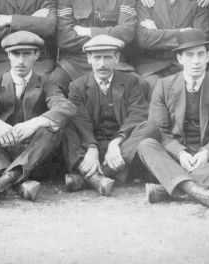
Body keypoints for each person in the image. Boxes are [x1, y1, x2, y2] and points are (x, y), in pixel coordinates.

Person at [137, 29, 209, 210]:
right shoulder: (164, 86)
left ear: (208, 57)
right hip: (175, 158)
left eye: (200, 55)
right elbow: (162, 131)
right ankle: (197, 190)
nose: (196, 61)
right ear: (180, 59)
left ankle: (171, 187)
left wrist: (206, 153)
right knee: (146, 145)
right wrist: (181, 153)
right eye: (189, 55)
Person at [0, 31, 76, 205]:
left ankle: (6, 179)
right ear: (8, 55)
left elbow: (65, 106)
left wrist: (36, 122)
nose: (21, 61)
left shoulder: (46, 82)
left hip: (34, 159)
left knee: (52, 128)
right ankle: (15, 179)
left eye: (27, 54)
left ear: (36, 55)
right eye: (15, 54)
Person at [62, 35, 157, 195]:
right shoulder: (77, 86)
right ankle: (97, 172)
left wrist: (116, 143)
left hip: (121, 149)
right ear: (88, 59)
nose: (102, 64)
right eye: (97, 58)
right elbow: (81, 122)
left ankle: (90, 177)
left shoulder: (131, 82)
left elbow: (138, 114)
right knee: (66, 124)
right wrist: (91, 148)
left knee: (151, 125)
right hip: (90, 148)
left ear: (117, 58)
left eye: (107, 58)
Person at [134, 0, 209, 92]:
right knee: (151, 85)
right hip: (154, 67)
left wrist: (158, 33)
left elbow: (201, 37)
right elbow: (144, 39)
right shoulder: (148, 0)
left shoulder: (197, 1)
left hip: (186, 66)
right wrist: (183, 32)